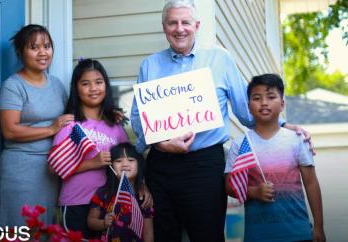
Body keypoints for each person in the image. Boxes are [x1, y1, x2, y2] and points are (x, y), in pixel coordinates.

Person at [130, 1, 313, 241]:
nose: (179, 28)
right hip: (161, 166)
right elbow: (137, 118)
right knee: (164, 236)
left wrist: (280, 126)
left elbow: (245, 111)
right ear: (164, 27)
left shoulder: (220, 60)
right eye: (172, 22)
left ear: (197, 25)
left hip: (205, 166)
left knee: (208, 235)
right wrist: (161, 144)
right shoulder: (150, 65)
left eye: (185, 22)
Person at [53, 59, 152, 238]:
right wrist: (92, 163)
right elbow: (54, 168)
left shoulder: (115, 127)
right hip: (77, 202)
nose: (93, 88)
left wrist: (141, 185)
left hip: (109, 206)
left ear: (106, 86)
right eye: (85, 83)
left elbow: (130, 162)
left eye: (99, 82)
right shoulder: (71, 125)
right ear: (76, 88)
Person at [225, 74, 325, 242]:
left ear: (282, 105)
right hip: (257, 235)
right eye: (257, 98)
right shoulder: (241, 144)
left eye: (271, 97)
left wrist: (319, 227)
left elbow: (311, 183)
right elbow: (229, 185)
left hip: (298, 233)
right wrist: (254, 192)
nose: (264, 102)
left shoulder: (297, 139)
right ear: (249, 106)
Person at [0, 24, 74, 226]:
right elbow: (10, 130)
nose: (43, 52)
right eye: (34, 47)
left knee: (48, 230)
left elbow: (72, 119)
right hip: (22, 170)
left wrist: (110, 114)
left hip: (53, 169)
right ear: (21, 52)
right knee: (22, 228)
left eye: (47, 46)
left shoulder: (57, 85)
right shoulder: (13, 86)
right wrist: (51, 129)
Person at [87, 143, 154, 242]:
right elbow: (90, 221)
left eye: (131, 160)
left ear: (139, 165)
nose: (125, 164)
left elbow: (148, 232)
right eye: (118, 161)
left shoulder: (143, 197)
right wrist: (103, 223)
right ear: (111, 166)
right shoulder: (103, 193)